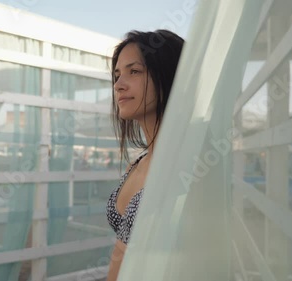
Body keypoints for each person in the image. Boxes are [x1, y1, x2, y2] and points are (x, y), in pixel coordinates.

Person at [105, 29, 184, 280]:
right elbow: (120, 251)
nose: (119, 85)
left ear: (168, 76)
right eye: (116, 76)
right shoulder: (136, 164)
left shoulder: (189, 165)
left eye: (134, 71)